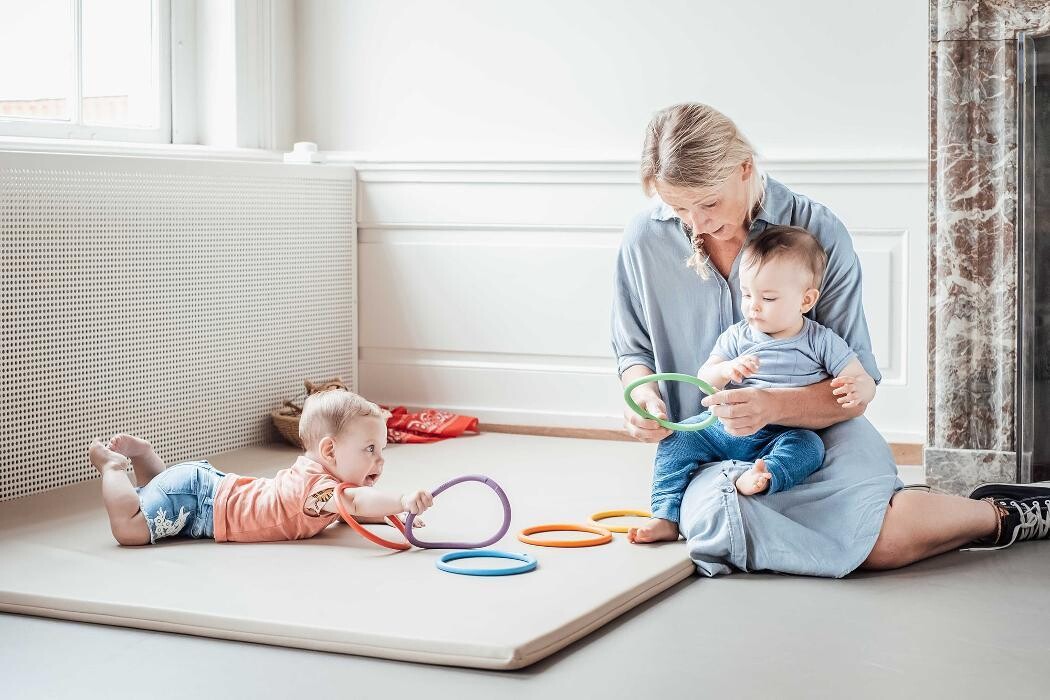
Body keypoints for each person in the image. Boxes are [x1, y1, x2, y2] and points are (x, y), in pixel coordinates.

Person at [613, 103, 1050, 575]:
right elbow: (634, 352)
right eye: (678, 208)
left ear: (744, 168)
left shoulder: (817, 231)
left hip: (819, 432)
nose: (695, 225)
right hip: (714, 443)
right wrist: (644, 398)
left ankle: (1001, 514)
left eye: (709, 204)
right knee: (722, 530)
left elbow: (855, 389)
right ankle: (902, 505)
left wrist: (771, 406)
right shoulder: (645, 239)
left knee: (879, 545)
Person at [631, 225, 876, 544]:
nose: (753, 306)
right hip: (726, 428)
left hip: (784, 432)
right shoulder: (737, 336)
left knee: (810, 449)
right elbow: (705, 378)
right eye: (747, 294)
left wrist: (861, 388)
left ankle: (763, 475)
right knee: (678, 439)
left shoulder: (820, 341)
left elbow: (860, 377)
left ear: (806, 300)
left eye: (768, 298)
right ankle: (665, 515)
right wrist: (726, 370)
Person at [88, 389, 433, 545]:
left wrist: (388, 515)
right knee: (130, 529)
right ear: (329, 450)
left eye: (381, 450)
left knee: (152, 496)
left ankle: (146, 458)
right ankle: (114, 467)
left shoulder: (323, 484)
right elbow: (354, 503)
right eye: (370, 449)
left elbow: (350, 511)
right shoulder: (314, 488)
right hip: (200, 502)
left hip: (202, 493)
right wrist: (401, 500)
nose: (380, 460)